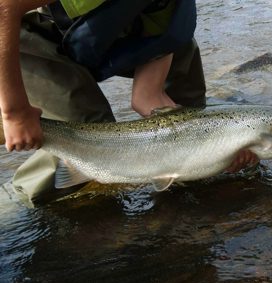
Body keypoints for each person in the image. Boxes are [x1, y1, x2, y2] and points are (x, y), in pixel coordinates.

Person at [0, 0, 257, 202]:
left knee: (185, 75)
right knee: (88, 127)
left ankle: (181, 178)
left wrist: (212, 149)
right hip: (20, 34)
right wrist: (16, 112)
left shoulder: (171, 7)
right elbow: (5, 7)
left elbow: (147, 97)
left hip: (97, 33)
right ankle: (24, 197)